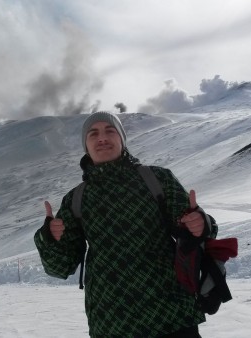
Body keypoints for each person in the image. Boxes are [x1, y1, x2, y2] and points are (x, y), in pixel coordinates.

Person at [34, 111, 216, 337]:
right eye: (93, 133)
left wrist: (200, 223)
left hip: (172, 315)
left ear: (122, 139)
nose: (102, 138)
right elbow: (59, 268)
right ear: (86, 146)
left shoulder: (157, 179)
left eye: (110, 131)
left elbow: (199, 229)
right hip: (111, 323)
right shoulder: (76, 199)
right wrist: (49, 239)